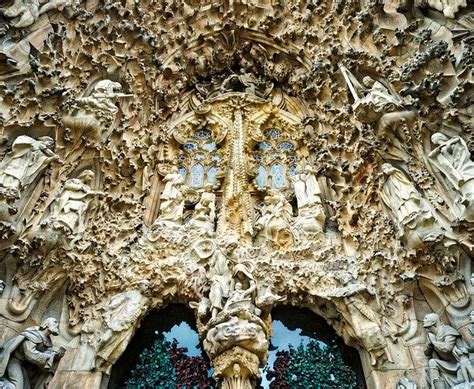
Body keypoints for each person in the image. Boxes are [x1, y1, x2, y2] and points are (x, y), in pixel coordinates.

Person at [0, 318, 64, 389]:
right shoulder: (33, 334)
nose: (57, 325)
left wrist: (55, 356)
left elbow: (48, 355)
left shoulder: (48, 342)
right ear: (46, 324)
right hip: (14, 361)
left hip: (23, 365)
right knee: (18, 386)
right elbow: (30, 354)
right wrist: (50, 356)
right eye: (55, 322)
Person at [423, 313, 474, 387]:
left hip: (460, 363)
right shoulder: (431, 335)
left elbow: (447, 348)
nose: (423, 320)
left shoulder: (447, 330)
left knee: (463, 380)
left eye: (426, 318)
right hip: (447, 365)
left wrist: (434, 342)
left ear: (433, 322)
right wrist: (429, 345)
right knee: (432, 362)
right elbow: (427, 353)